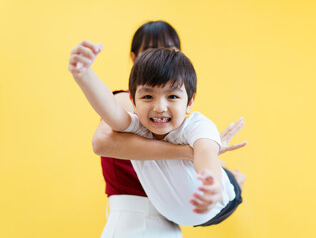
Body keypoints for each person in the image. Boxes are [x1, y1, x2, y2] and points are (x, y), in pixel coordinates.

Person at [69, 21, 246, 237]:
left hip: (219, 200)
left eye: (172, 96)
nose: (160, 107)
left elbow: (205, 152)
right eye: (148, 96)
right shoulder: (140, 124)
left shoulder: (196, 125)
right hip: (165, 218)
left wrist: (213, 183)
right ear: (133, 100)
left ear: (189, 102)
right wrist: (84, 75)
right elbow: (112, 114)